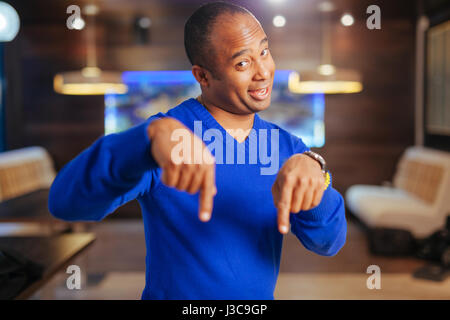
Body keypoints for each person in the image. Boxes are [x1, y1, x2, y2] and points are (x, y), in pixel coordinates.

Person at [49, 1, 347, 300]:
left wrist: (317, 176)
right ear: (202, 76)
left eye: (264, 52)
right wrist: (144, 141)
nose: (263, 72)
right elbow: (66, 203)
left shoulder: (288, 147)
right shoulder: (165, 139)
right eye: (242, 63)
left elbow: (328, 242)